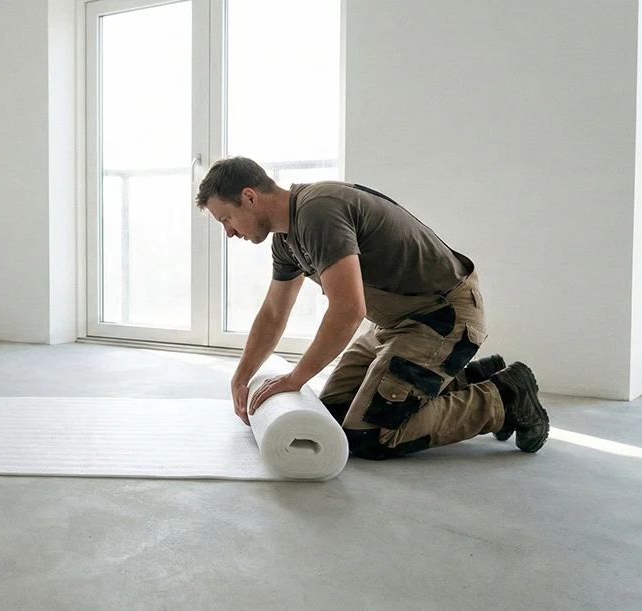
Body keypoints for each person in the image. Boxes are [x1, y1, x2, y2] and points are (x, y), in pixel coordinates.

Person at [196, 156, 549, 459]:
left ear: (249, 197)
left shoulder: (317, 211)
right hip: (393, 325)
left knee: (370, 435)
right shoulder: (286, 241)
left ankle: (505, 396)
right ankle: (473, 375)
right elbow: (274, 314)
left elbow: (349, 309)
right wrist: (240, 376)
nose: (229, 233)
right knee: (329, 416)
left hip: (442, 317)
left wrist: (295, 378)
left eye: (226, 219)